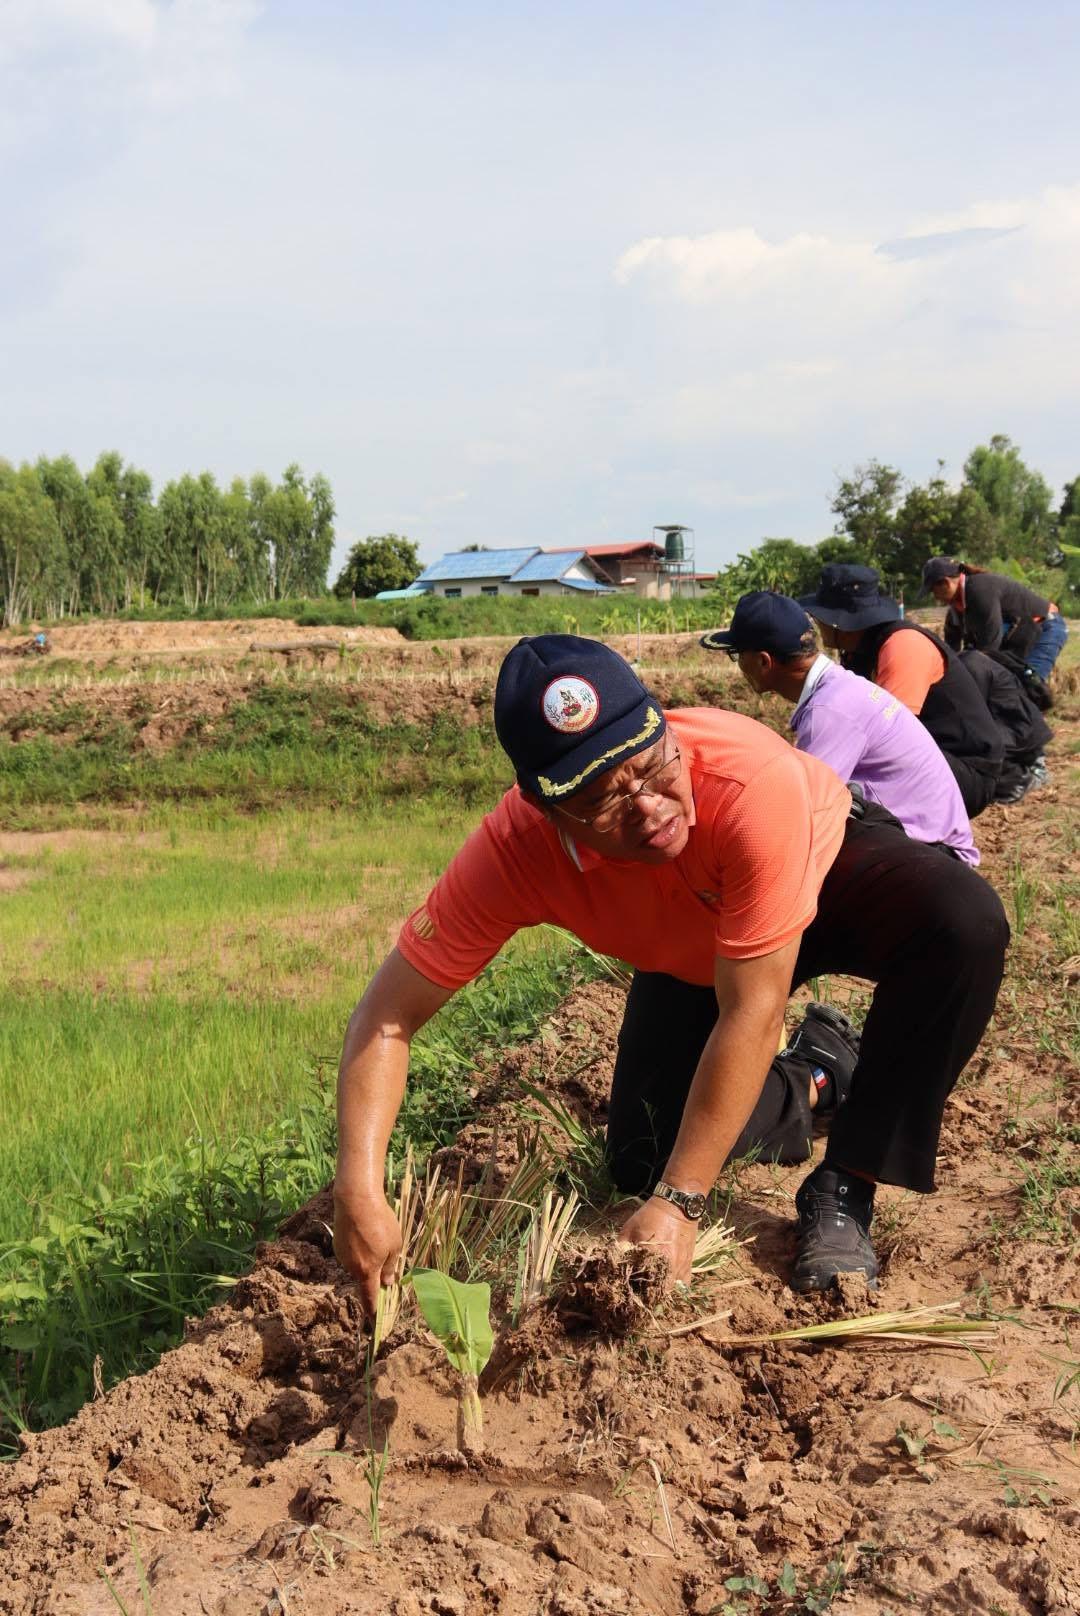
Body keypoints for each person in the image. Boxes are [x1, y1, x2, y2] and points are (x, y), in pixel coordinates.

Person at [334, 635, 1008, 1310]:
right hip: (695, 944)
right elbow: (387, 1017)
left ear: (663, 728)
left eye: (653, 769)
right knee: (640, 1156)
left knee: (960, 923)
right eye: (604, 800)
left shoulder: (746, 780)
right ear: (547, 810)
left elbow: (754, 1008)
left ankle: (848, 1181)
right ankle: (818, 1074)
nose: (651, 809)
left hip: (821, 867)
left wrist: (680, 1205)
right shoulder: (514, 853)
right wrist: (358, 1190)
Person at [701, 592, 978, 864]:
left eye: (737, 655)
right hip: (927, 844)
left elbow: (802, 811)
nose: (739, 665)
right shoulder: (839, 690)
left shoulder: (830, 711)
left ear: (764, 661)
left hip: (935, 855)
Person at [799, 564, 1004, 819]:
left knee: (850, 798)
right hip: (935, 760)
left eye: (821, 616)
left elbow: (892, 739)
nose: (818, 623)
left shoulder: (902, 645)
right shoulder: (858, 652)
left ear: (839, 621)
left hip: (967, 772)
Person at [923, 557, 1069, 693]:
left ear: (946, 583)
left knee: (1026, 690)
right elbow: (951, 655)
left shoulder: (979, 589)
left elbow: (990, 644)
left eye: (933, 590)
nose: (935, 597)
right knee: (1006, 690)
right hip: (1019, 636)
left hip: (1045, 628)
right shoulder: (956, 611)